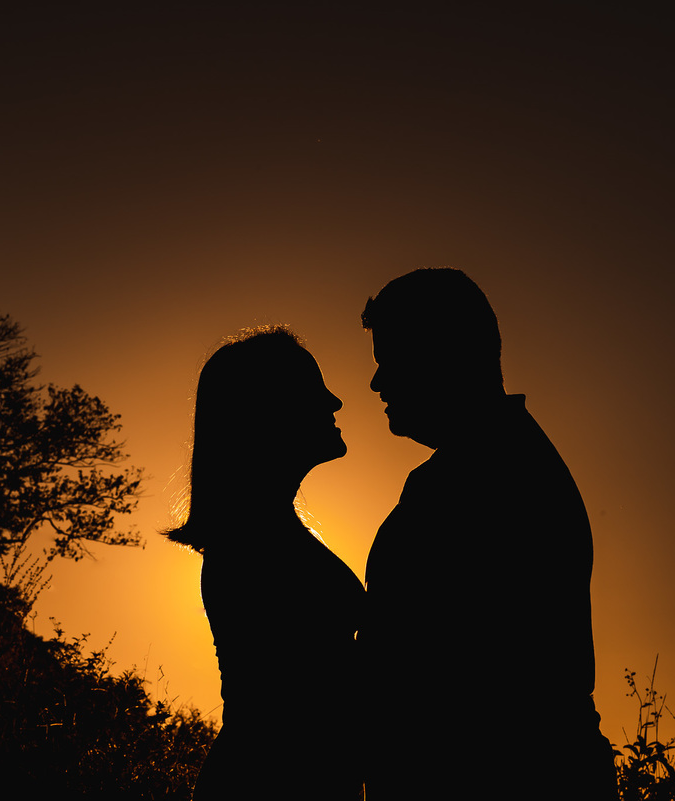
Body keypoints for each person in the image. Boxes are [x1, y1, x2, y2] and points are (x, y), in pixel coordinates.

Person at [359, 268, 617, 800]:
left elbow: (436, 675)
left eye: (389, 360)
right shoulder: (495, 461)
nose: (377, 382)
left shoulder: (483, 478)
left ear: (442, 354)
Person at [166, 326, 365, 800]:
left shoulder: (265, 533)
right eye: (316, 390)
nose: (335, 402)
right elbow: (300, 701)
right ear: (269, 412)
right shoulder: (255, 544)